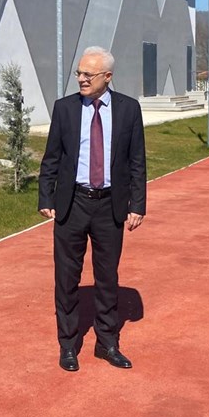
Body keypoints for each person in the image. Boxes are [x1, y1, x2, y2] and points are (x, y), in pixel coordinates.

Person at [38, 46, 146, 372]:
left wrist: (138, 204)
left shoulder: (128, 109)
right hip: (72, 204)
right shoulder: (65, 108)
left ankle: (107, 343)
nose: (81, 79)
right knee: (66, 278)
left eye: (88, 74)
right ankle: (68, 345)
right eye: (79, 73)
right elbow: (52, 157)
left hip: (110, 206)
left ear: (107, 77)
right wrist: (46, 198)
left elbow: (137, 161)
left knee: (107, 278)